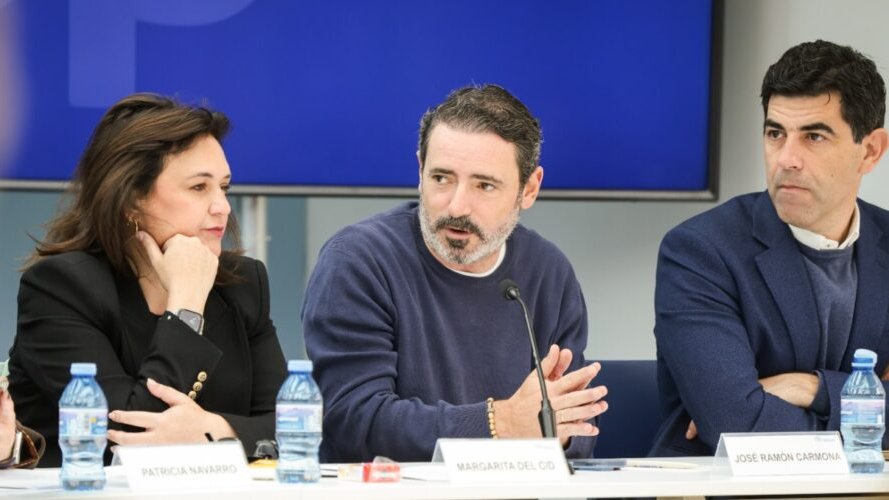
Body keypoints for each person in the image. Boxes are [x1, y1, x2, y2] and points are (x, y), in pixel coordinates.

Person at [303, 84, 607, 463]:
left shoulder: (548, 271)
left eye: (484, 185)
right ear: (420, 171)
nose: (457, 206)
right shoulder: (359, 261)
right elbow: (355, 422)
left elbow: (576, 425)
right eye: (441, 179)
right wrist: (500, 423)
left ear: (529, 189)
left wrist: (556, 433)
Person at [8, 94, 287, 467]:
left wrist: (212, 429)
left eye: (224, 187)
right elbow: (131, 435)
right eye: (199, 187)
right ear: (131, 200)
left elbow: (296, 427)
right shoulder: (61, 287)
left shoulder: (243, 283)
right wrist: (187, 306)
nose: (222, 206)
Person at [651, 40, 889, 456]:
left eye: (814, 136)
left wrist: (813, 388)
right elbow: (736, 424)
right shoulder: (699, 252)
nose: (786, 159)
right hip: (727, 484)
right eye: (775, 133)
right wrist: (867, 406)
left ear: (870, 151)